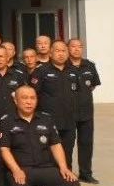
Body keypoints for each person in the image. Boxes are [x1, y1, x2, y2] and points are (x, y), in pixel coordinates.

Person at [0, 85, 82, 186]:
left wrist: (64, 167)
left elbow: (56, 145)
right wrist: (15, 170)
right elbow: (4, 149)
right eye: (24, 98)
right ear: (15, 101)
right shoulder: (6, 121)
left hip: (45, 168)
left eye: (32, 98)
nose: (29, 102)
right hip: (20, 169)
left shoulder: (46, 119)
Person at [30, 41, 78, 169]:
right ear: (50, 53)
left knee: (67, 152)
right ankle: (51, 177)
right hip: (48, 121)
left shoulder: (73, 71)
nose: (61, 54)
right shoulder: (41, 71)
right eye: (57, 51)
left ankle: (67, 175)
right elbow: (33, 94)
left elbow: (77, 92)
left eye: (63, 51)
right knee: (48, 153)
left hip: (69, 121)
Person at [67, 39, 100, 183]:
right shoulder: (64, 66)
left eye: (79, 47)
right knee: (67, 144)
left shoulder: (89, 65)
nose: (76, 49)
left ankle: (85, 173)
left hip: (86, 112)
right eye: (73, 46)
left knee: (86, 143)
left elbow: (93, 85)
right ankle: (66, 172)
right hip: (68, 112)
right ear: (68, 48)